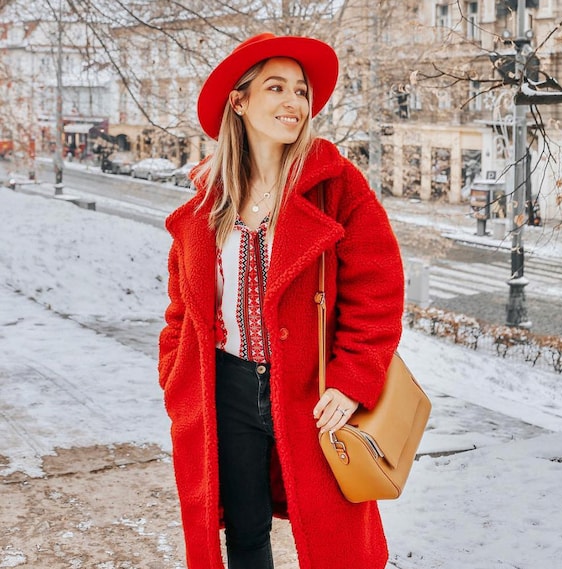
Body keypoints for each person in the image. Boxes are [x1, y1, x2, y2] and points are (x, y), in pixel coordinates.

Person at [159, 32, 404, 569]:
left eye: (301, 91)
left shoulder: (336, 187)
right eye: (277, 88)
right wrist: (174, 369)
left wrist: (352, 378)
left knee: (337, 543)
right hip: (225, 386)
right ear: (240, 101)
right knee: (245, 533)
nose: (294, 102)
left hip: (313, 393)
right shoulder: (207, 199)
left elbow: (378, 292)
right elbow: (182, 308)